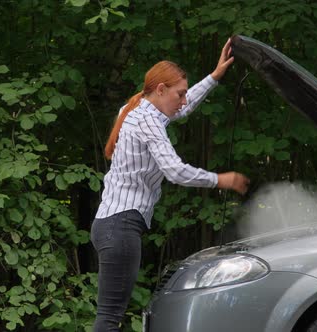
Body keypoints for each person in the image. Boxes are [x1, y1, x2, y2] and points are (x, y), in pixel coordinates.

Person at [90, 38, 250, 332]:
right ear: (161, 90)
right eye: (180, 93)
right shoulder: (148, 121)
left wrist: (214, 77)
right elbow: (175, 171)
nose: (184, 100)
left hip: (110, 225)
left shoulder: (136, 108)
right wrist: (220, 179)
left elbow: (181, 111)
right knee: (109, 319)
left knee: (109, 317)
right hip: (121, 226)